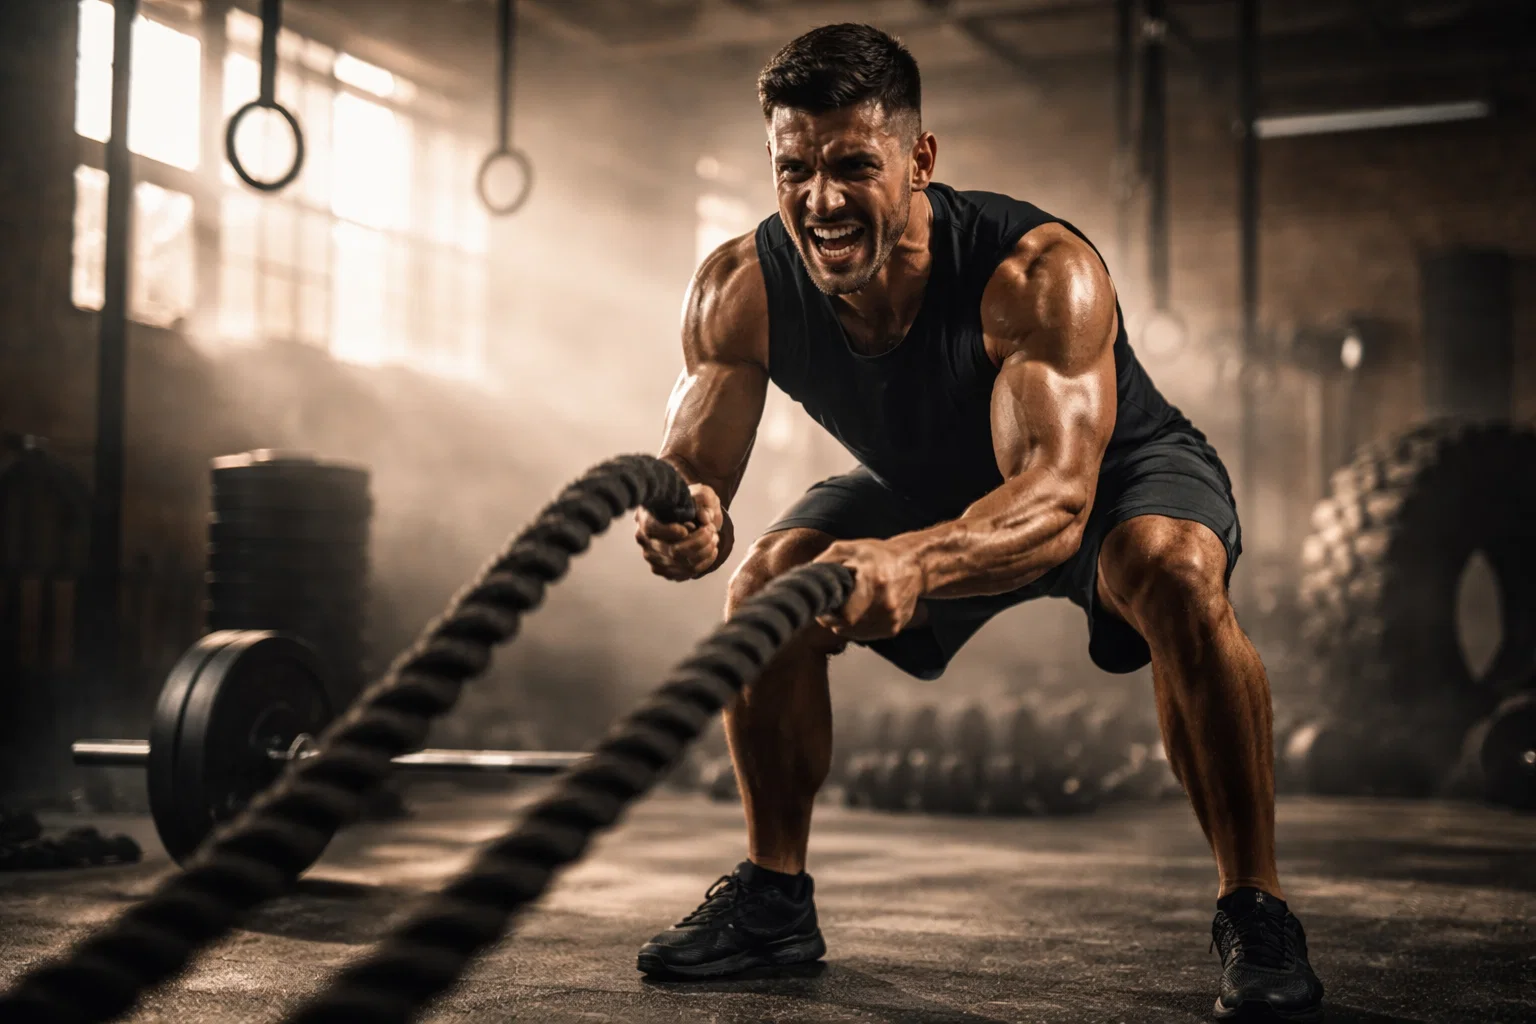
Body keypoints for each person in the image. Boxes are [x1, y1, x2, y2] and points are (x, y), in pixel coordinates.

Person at [631, 22, 1324, 1022]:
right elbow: (698, 469)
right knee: (768, 588)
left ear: (919, 161)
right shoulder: (741, 286)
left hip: (1109, 474)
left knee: (1168, 568)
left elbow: (1053, 503)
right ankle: (775, 899)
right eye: (794, 168)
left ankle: (1255, 907)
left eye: (852, 165)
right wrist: (688, 516)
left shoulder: (1036, 270)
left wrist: (909, 564)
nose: (819, 200)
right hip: (923, 481)